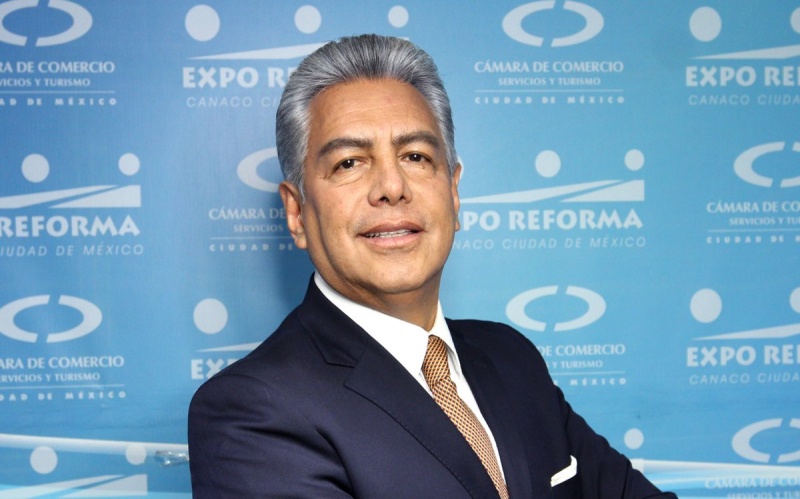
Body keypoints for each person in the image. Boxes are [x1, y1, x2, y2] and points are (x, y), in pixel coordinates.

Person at [188, 34, 676, 498]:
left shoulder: (512, 358)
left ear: (454, 193)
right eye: (349, 163)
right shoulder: (253, 411)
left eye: (416, 156)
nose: (392, 187)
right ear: (297, 212)